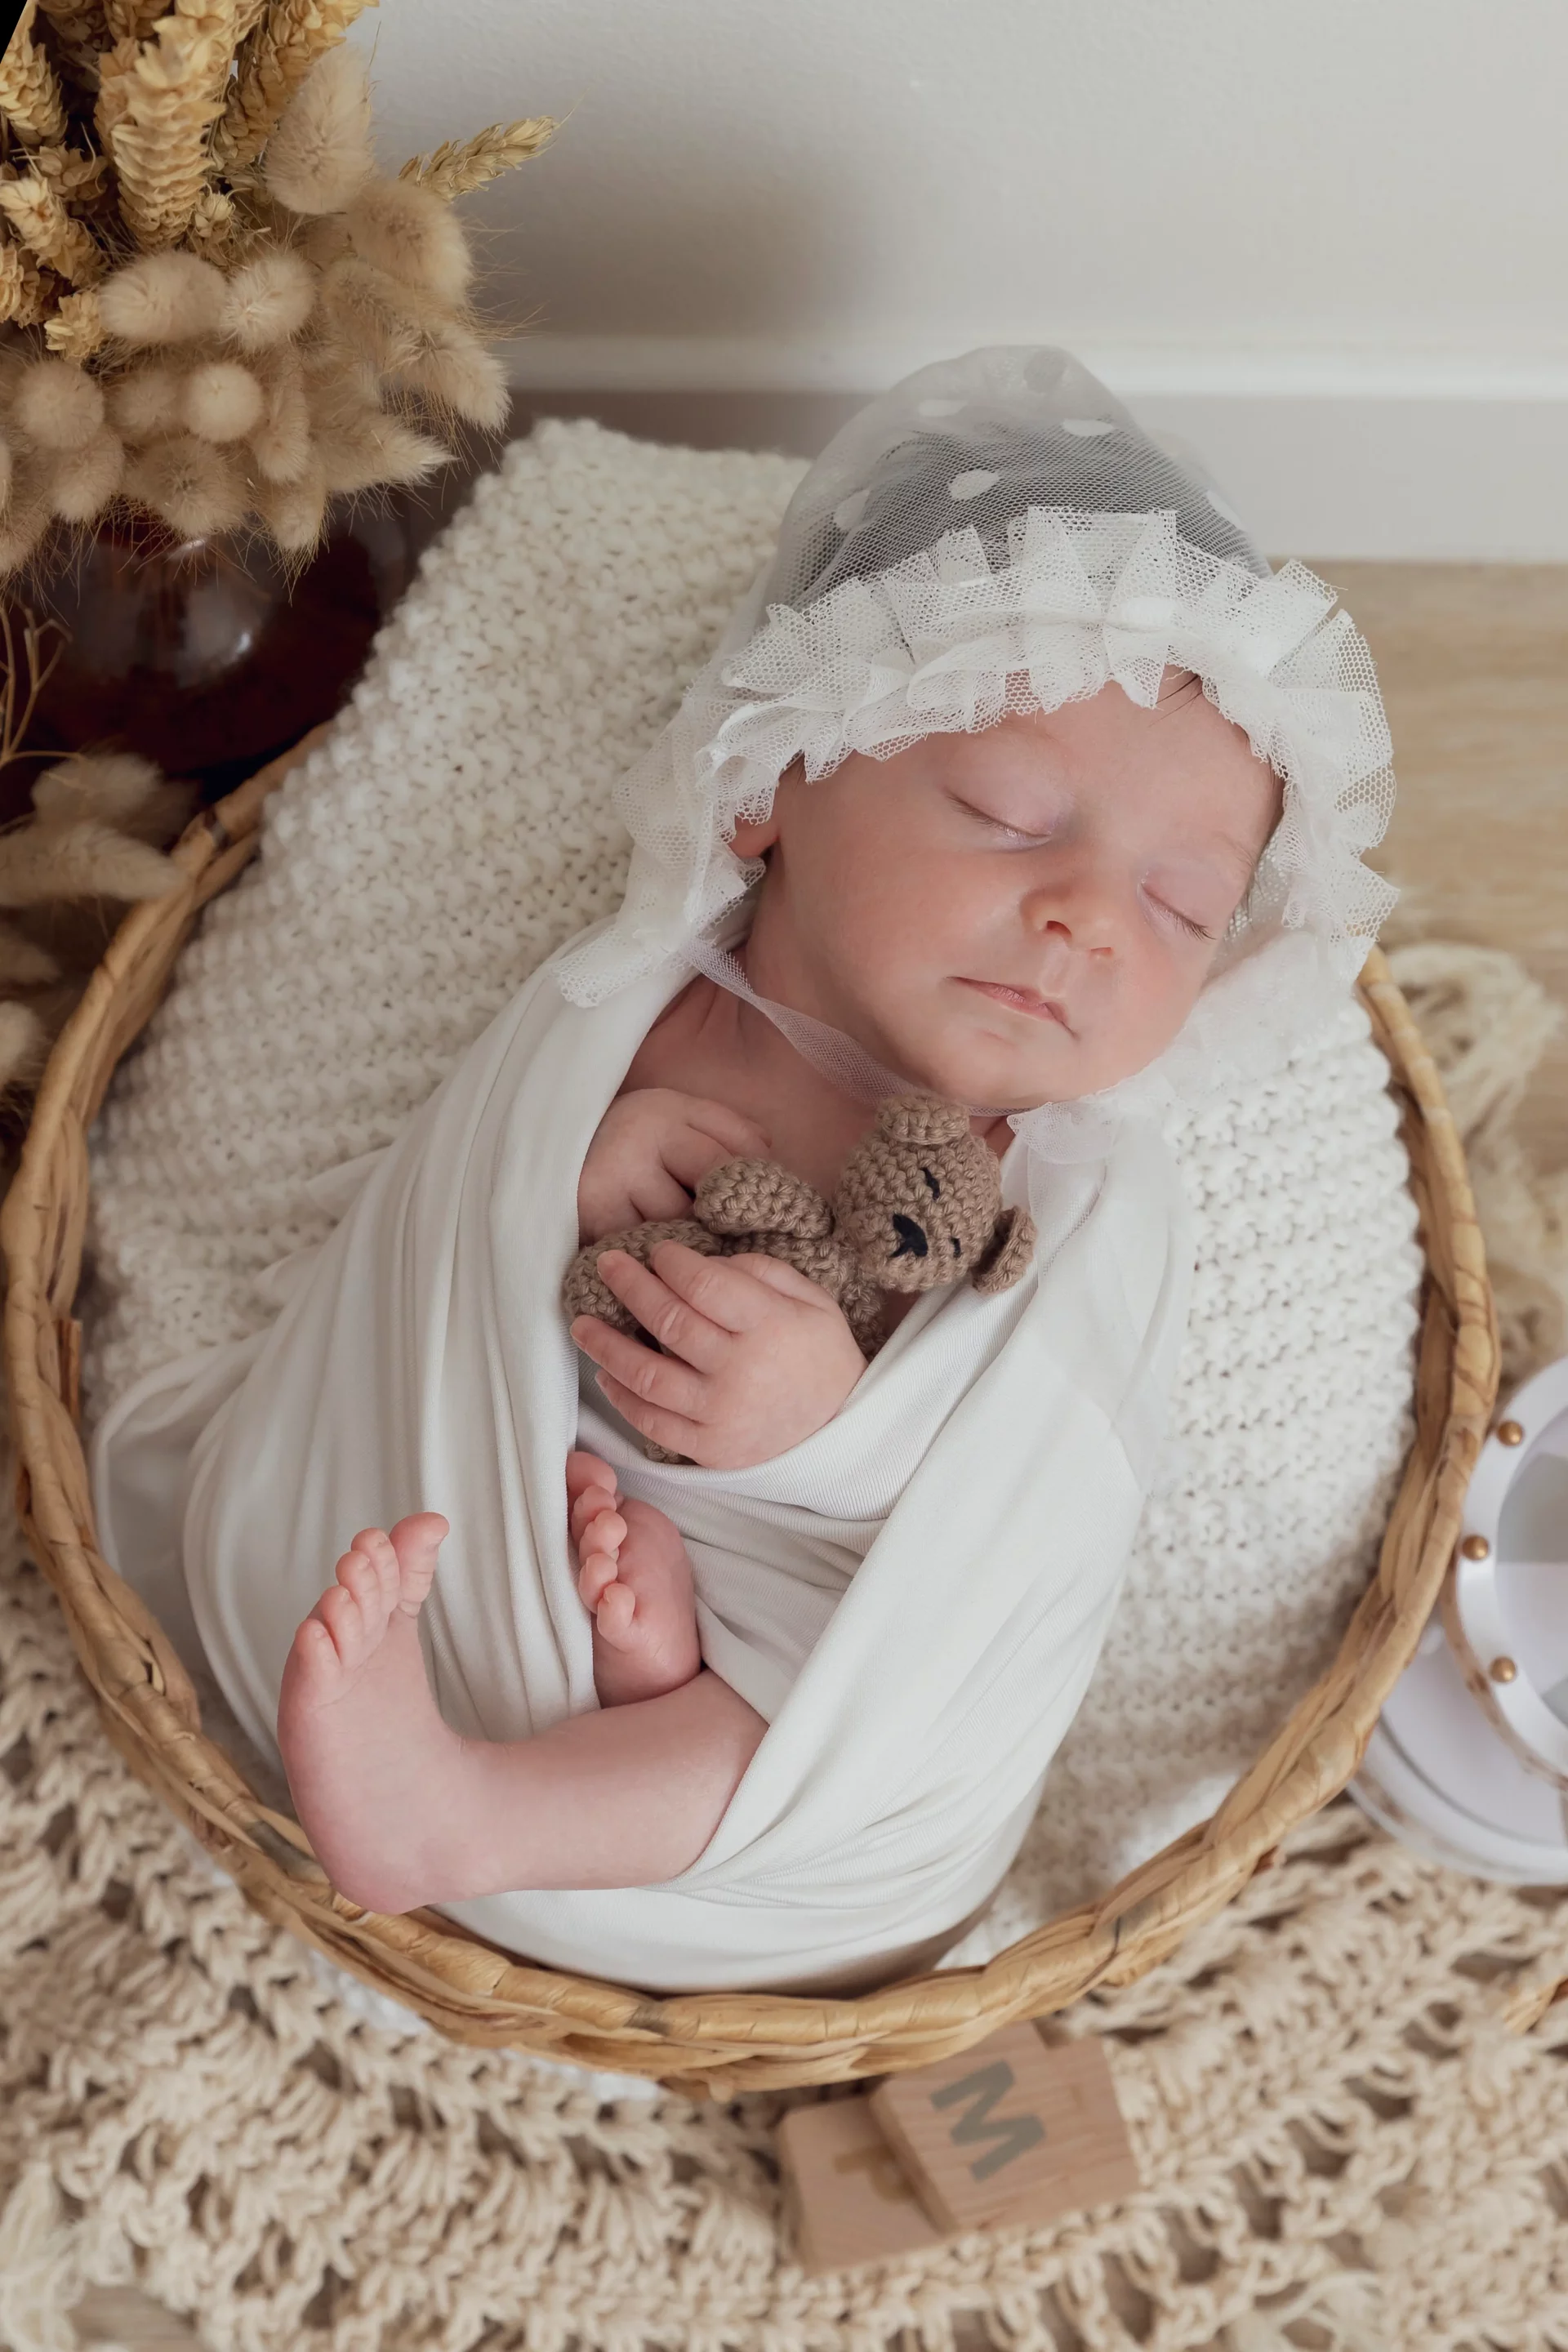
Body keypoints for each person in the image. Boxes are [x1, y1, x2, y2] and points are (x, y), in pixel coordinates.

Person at [91, 347, 1397, 1993]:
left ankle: (472, 1809)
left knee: (793, 1705)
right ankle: (586, 1680)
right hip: (497, 1506)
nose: (1085, 916)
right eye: (1007, 813)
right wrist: (580, 1167)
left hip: (810, 1659)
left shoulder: (1081, 1194)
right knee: (442, 1533)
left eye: (1182, 906)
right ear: (779, 783)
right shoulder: (629, 997)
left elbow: (1019, 1499)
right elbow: (455, 1227)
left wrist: (822, 1432)